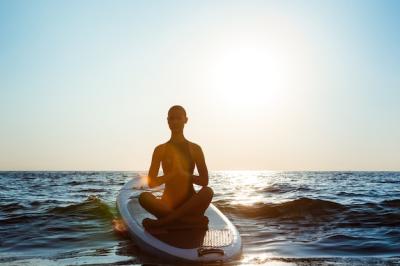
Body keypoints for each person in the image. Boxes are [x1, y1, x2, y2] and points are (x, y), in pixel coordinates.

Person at [139, 105, 213, 230]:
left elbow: (204, 181)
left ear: (186, 120)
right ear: (167, 121)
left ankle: (164, 222)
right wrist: (171, 175)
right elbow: (151, 183)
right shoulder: (160, 150)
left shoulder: (195, 149)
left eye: (178, 118)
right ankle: (187, 221)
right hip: (167, 206)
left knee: (208, 191)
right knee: (144, 197)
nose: (175, 122)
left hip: (190, 205)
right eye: (171, 119)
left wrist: (184, 175)